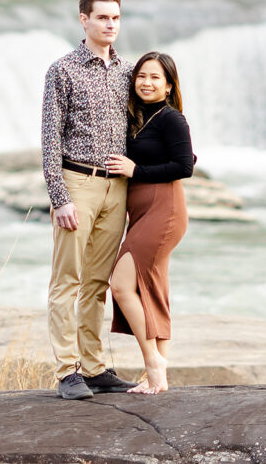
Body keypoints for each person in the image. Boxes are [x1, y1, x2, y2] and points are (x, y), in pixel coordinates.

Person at [41, 0, 138, 400]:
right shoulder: (62, 71)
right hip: (77, 183)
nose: (110, 25)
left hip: (117, 188)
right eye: (102, 18)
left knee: (97, 282)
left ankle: (95, 367)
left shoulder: (128, 71)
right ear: (84, 20)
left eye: (115, 18)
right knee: (68, 280)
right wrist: (60, 196)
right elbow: (49, 138)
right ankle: (67, 371)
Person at [105, 51, 194, 395]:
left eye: (156, 77)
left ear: (169, 85)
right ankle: (159, 377)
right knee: (153, 291)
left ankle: (154, 362)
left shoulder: (171, 118)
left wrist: (136, 171)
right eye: (142, 76)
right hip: (142, 212)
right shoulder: (139, 116)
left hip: (164, 210)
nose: (147, 82)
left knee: (121, 284)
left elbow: (185, 166)